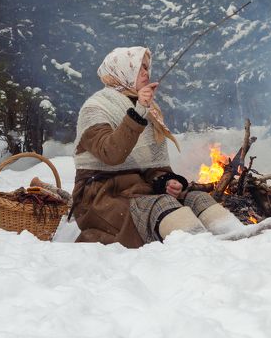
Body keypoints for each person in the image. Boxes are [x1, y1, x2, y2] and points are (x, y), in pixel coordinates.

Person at [71, 46, 248, 246]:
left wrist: (165, 181)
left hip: (140, 191)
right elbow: (110, 153)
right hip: (102, 196)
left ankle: (237, 236)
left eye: (147, 67)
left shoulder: (147, 109)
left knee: (195, 198)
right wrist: (138, 113)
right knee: (162, 205)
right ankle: (196, 245)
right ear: (122, 71)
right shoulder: (95, 108)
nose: (146, 73)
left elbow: (152, 165)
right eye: (139, 67)